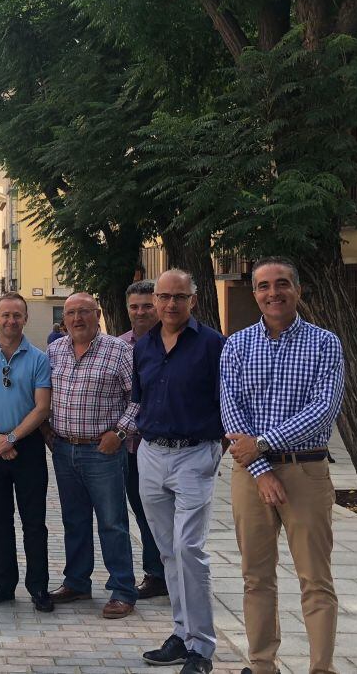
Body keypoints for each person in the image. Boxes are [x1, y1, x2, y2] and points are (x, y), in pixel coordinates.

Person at [221, 258, 344, 674]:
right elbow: (232, 412)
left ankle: (321, 668)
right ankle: (261, 665)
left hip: (306, 471)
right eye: (263, 286)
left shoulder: (325, 343)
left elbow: (323, 411)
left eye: (282, 284)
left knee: (315, 579)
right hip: (250, 477)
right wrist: (260, 469)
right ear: (254, 292)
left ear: (298, 289)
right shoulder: (236, 345)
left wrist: (265, 445)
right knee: (256, 577)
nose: (273, 292)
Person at [124, 270, 226, 674]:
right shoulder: (144, 346)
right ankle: (182, 634)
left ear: (193, 300)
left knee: (189, 549)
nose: (169, 305)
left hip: (194, 454)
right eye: (162, 297)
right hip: (151, 453)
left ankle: (201, 647)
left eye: (178, 297)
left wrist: (221, 444)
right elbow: (139, 399)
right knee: (168, 551)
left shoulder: (213, 345)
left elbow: (227, 398)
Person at [45, 292, 138, 619]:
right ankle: (77, 582)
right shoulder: (55, 349)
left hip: (103, 450)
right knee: (74, 519)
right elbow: (43, 394)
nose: (77, 319)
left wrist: (121, 433)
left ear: (97, 314)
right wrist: (47, 431)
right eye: (71, 313)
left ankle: (123, 590)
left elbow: (139, 398)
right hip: (64, 448)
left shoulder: (118, 351)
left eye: (84, 312)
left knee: (112, 522)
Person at [0, 292, 54, 612]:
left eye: (17, 315)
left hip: (27, 447)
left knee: (35, 522)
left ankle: (39, 587)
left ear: (25, 319)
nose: (11, 321)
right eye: (5, 315)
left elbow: (42, 407)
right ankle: (3, 584)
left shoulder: (39, 358)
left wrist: (12, 438)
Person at [118, 280, 167, 600]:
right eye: (134, 306)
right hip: (132, 448)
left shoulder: (175, 341)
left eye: (147, 306)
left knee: (179, 514)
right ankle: (156, 573)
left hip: (173, 444)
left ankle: (180, 572)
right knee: (142, 510)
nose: (140, 312)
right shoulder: (121, 346)